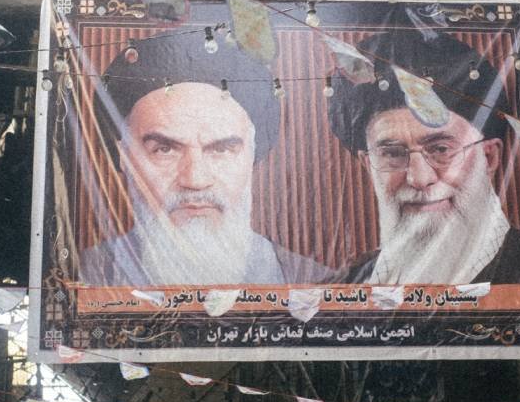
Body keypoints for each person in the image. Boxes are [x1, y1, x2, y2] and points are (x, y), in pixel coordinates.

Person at [79, 30, 333, 286]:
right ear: (125, 158)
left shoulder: (314, 283)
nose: (195, 180)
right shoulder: (82, 277)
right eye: (165, 150)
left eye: (221, 150)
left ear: (251, 156)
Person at [327, 27, 520, 284]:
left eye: (441, 149)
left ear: (489, 157)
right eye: (392, 153)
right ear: (368, 163)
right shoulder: (350, 285)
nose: (419, 178)